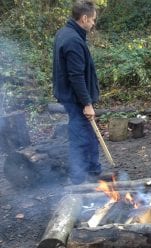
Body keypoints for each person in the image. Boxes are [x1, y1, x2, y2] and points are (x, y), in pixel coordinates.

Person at [53, 0, 101, 184]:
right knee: (79, 136)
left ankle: (92, 170)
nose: (93, 23)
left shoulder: (65, 33)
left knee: (86, 133)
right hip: (76, 100)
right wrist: (87, 104)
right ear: (84, 18)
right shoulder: (73, 40)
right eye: (93, 20)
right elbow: (76, 76)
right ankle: (79, 179)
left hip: (72, 97)